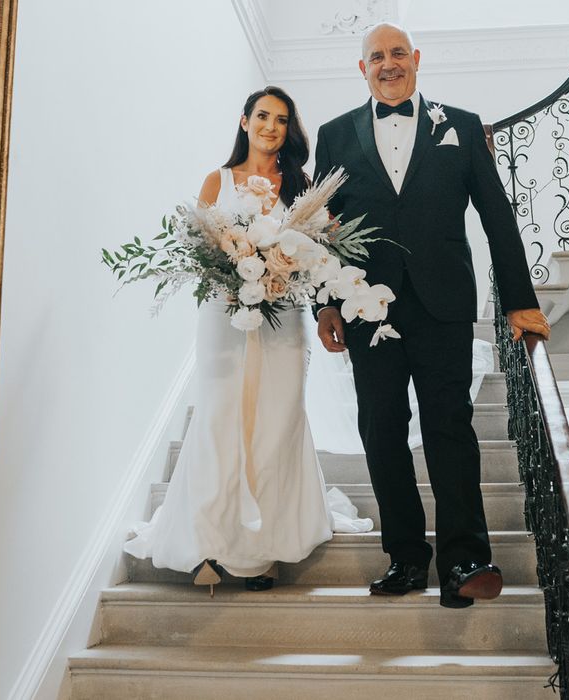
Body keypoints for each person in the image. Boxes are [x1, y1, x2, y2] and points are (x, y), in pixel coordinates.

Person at [314, 23, 551, 608]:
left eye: (398, 54)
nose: (389, 64)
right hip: (367, 308)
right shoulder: (334, 134)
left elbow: (497, 217)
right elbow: (319, 231)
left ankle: (465, 558)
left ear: (417, 60)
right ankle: (405, 556)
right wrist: (323, 303)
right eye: (377, 57)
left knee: (449, 427)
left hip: (444, 305)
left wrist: (520, 301)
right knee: (382, 430)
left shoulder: (463, 127)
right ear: (361, 68)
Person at [124, 86, 371, 594]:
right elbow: (197, 245)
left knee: (277, 421)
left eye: (282, 120)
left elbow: (317, 257)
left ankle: (263, 552)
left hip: (283, 318)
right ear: (244, 121)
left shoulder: (301, 187)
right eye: (263, 116)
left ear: (289, 130)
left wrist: (283, 274)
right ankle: (209, 544)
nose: (271, 127)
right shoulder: (218, 180)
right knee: (219, 421)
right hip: (224, 316)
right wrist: (235, 269)